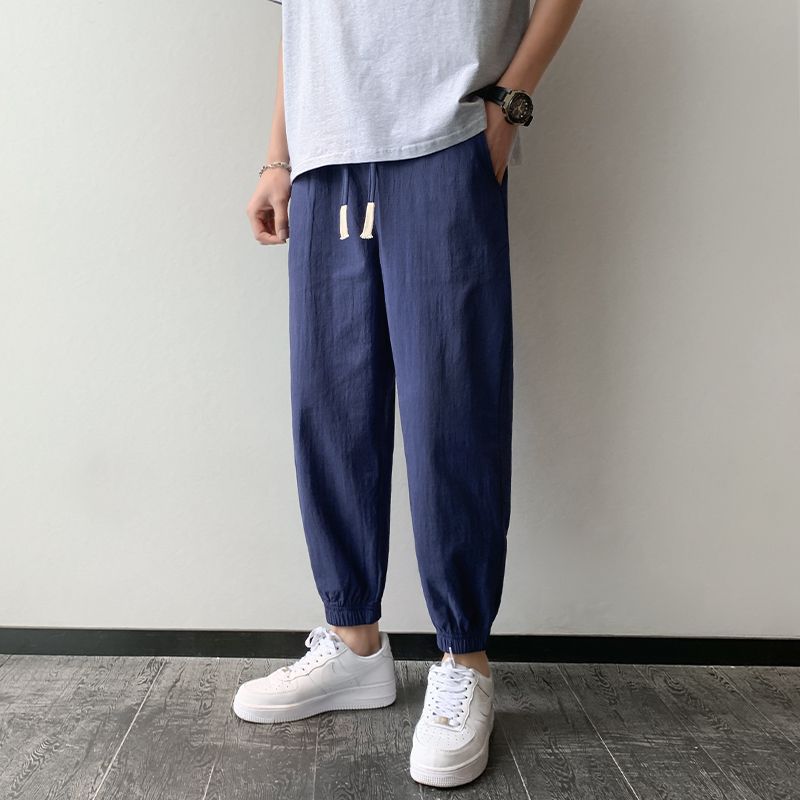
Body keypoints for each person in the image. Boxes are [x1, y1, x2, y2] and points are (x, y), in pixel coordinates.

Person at [236, 0, 583, 787]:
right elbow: (304, 18)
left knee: (451, 407)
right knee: (330, 406)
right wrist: (277, 157)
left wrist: (508, 107)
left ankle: (465, 658)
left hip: (447, 133)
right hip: (324, 153)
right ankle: (353, 641)